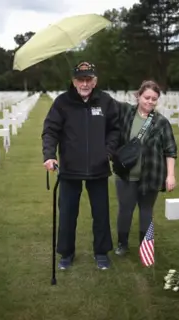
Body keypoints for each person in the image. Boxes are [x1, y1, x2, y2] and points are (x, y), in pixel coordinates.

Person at [41, 61, 120, 270]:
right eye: (80, 79)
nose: (84, 84)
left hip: (98, 167)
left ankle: (101, 252)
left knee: (101, 213)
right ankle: (66, 253)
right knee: (67, 213)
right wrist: (49, 155)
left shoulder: (105, 101)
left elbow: (115, 129)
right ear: (74, 81)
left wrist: (108, 151)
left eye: (88, 79)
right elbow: (50, 130)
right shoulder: (62, 102)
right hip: (69, 167)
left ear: (95, 81)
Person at [112, 80, 177, 256]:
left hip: (151, 175)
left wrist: (171, 175)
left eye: (154, 99)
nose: (150, 101)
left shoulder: (161, 122)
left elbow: (170, 150)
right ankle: (122, 244)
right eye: (147, 97)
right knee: (125, 210)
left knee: (146, 210)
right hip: (126, 175)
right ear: (138, 96)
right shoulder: (126, 113)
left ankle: (145, 246)